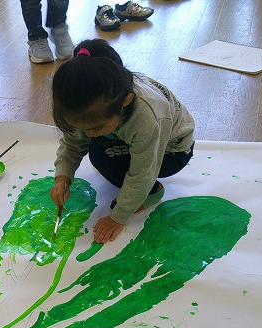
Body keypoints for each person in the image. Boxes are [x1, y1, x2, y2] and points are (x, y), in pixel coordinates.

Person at [50, 39, 195, 244]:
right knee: (98, 150)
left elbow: (143, 172)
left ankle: (152, 193)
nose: (88, 134)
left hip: (171, 151)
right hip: (133, 136)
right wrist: (62, 177)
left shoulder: (147, 118)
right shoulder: (89, 103)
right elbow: (73, 142)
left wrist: (118, 218)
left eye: (95, 128)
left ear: (125, 101)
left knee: (103, 157)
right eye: (83, 128)